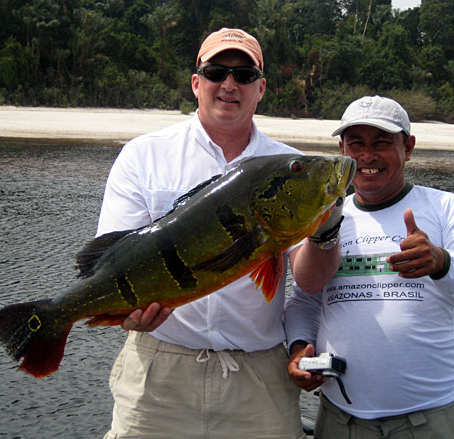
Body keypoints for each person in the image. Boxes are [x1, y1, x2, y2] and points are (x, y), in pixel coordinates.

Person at [98, 28, 342, 439]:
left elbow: (310, 280)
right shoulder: (143, 155)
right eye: (216, 72)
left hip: (257, 376)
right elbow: (114, 262)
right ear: (197, 83)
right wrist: (125, 313)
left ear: (260, 89)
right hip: (159, 371)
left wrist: (327, 228)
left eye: (244, 76)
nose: (229, 84)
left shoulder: (292, 169)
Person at [285, 95, 454, 439]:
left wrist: (441, 262)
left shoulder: (447, 208)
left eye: (382, 143)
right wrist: (299, 348)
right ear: (342, 149)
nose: (367, 156)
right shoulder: (322, 217)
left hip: (430, 419)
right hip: (341, 419)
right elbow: (304, 300)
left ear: (409, 147)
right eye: (356, 144)